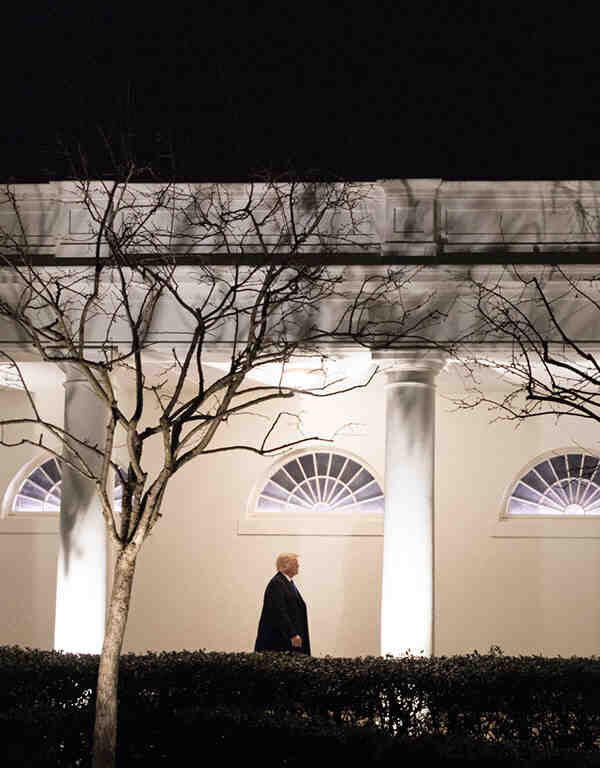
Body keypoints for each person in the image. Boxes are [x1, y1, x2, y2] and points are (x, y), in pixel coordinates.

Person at [254, 552, 311, 655]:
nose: (298, 565)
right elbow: (279, 611)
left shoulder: (287, 583)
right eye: (295, 563)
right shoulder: (277, 583)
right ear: (285, 565)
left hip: (287, 641)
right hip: (280, 643)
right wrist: (292, 634)